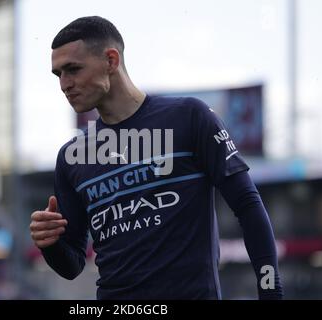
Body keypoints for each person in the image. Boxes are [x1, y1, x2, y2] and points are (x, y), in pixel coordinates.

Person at [30, 16, 283, 300]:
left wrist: (270, 290)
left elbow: (248, 206)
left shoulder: (189, 117)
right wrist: (49, 243)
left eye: (73, 69)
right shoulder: (71, 158)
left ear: (111, 61)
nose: (64, 84)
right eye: (58, 74)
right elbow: (72, 265)